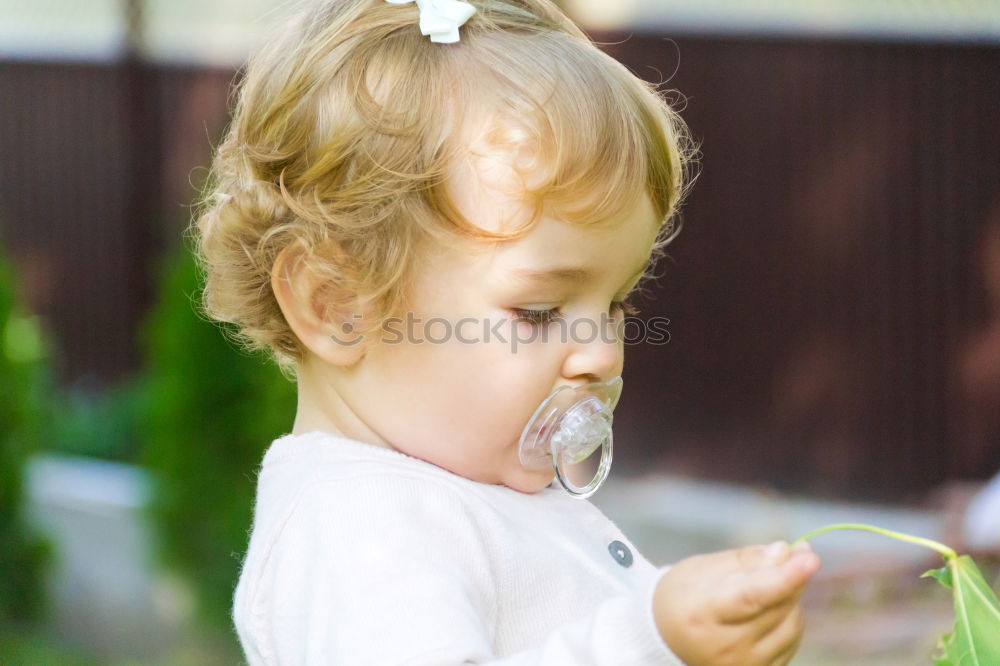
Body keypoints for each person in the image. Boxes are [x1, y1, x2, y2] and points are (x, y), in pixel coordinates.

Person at [191, 0, 821, 663]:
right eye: (540, 312)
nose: (603, 353)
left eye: (617, 305)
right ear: (337, 305)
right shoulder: (362, 527)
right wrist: (647, 642)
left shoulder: (450, 493)